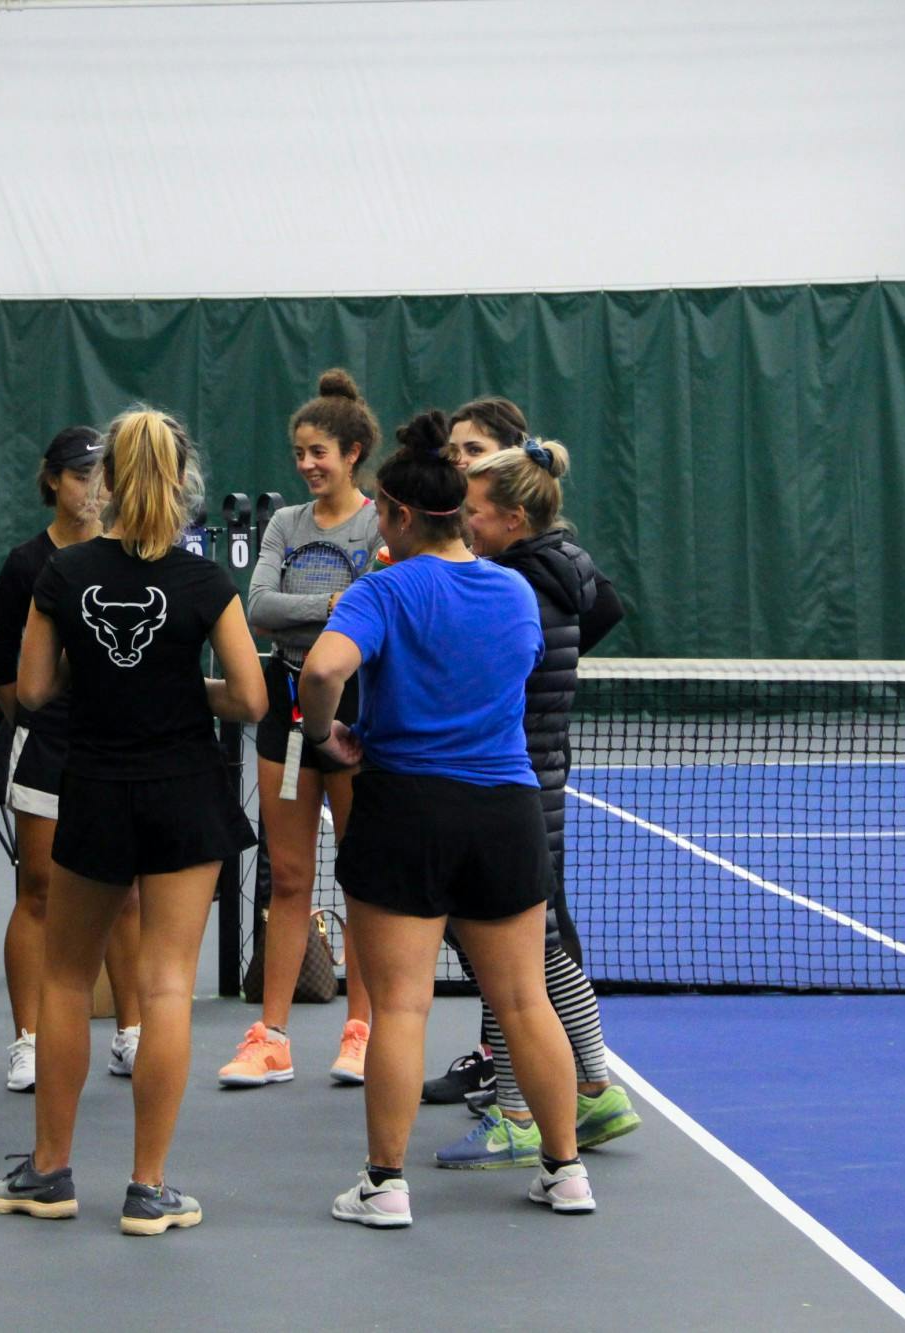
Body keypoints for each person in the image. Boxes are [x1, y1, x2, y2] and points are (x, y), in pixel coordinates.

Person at [0, 409, 266, 1236]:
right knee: (167, 982)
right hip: (184, 791)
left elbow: (30, 690)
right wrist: (184, 689)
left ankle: (52, 1171)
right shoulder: (206, 583)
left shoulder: (61, 575)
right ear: (181, 482)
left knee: (66, 978)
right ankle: (148, 1188)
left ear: (104, 482)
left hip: (95, 788)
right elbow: (249, 696)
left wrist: (99, 675)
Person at [298, 411, 593, 1227]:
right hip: (506, 810)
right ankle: (566, 1169)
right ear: (459, 512)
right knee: (526, 999)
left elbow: (324, 666)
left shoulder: (383, 588)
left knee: (400, 1006)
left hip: (406, 809)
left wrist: (325, 735)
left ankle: (385, 1185)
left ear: (394, 515)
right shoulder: (515, 591)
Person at [430, 441, 640, 1168]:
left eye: (478, 512)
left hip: (507, 778)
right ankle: (596, 1087)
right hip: (537, 772)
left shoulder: (515, 584)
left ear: (515, 518)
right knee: (538, 947)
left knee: (514, 960)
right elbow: (602, 610)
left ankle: (520, 1113)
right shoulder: (568, 564)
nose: (468, 523)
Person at [220, 370, 379, 1090]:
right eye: (300, 453)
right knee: (287, 879)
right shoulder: (285, 524)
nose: (308, 465)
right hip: (286, 716)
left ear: (352, 452)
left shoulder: (378, 524)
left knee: (363, 876)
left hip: (356, 713)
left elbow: (378, 606)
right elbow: (258, 609)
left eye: (319, 452)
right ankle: (272, 1037)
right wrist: (336, 604)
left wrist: (306, 605)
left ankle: (362, 1031)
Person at [0, 426, 144, 1094]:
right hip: (46, 743)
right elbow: (5, 675)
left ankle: (131, 1031)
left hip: (117, 744)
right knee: (41, 891)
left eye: (102, 476)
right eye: (81, 476)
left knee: (126, 892)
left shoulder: (126, 557)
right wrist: (39, 715)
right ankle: (27, 1039)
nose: (93, 489)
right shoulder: (26, 564)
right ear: (53, 480)